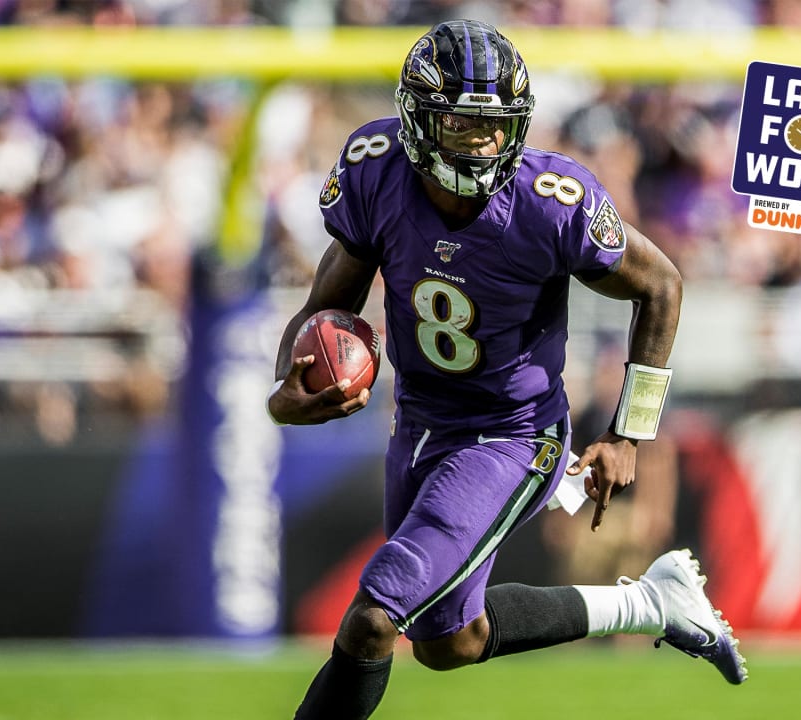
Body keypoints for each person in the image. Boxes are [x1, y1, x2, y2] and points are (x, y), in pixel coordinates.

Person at [266, 20, 747, 720]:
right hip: (420, 427)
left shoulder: (553, 205)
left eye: (497, 127)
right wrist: (289, 385)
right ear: (420, 122)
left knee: (373, 619)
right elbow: (325, 305)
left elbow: (662, 284)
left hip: (511, 435)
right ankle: (651, 601)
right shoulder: (376, 171)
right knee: (449, 642)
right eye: (464, 126)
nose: (484, 144)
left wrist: (627, 433)